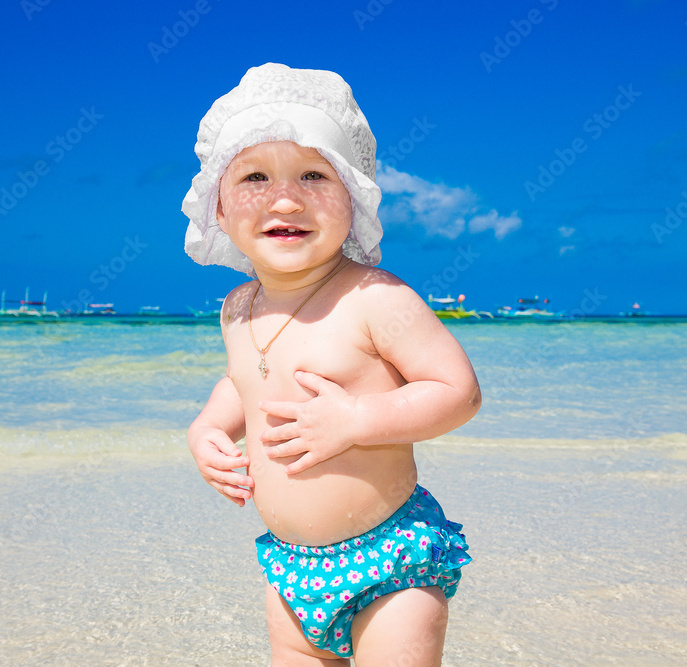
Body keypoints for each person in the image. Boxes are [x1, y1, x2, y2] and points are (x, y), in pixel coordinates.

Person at [184, 63, 481, 666]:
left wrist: (356, 419)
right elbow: (246, 380)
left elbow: (457, 390)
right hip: (290, 567)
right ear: (218, 206)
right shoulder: (238, 309)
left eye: (314, 174)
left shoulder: (373, 298)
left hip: (389, 559)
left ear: (355, 195)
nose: (285, 197)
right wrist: (207, 429)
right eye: (255, 176)